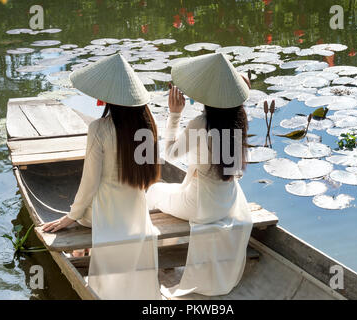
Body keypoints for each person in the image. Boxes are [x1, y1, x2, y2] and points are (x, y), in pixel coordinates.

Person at [42, 53, 161, 300]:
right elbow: (147, 177)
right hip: (135, 214)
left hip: (105, 216)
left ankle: (80, 253)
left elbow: (89, 183)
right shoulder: (148, 126)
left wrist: (71, 216)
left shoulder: (99, 129)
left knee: (83, 209)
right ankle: (84, 250)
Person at [146, 52, 253, 297]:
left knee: (153, 190)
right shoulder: (240, 119)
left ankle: (157, 258)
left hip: (201, 208)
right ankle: (171, 253)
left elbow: (171, 153)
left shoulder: (200, 124)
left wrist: (174, 114)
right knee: (171, 189)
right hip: (227, 205)